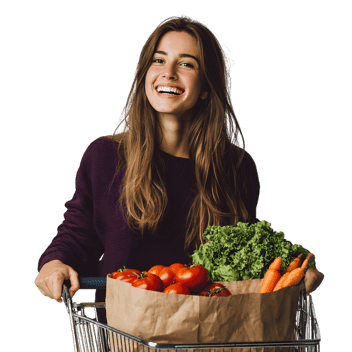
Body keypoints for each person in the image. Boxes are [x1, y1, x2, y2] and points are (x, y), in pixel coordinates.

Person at [35, 15, 324, 324]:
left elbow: (247, 248)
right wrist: (55, 263)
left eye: (187, 64)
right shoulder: (106, 156)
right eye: (158, 61)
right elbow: (78, 232)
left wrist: (298, 266)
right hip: (124, 332)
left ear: (205, 87)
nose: (168, 73)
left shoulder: (238, 168)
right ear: (144, 74)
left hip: (210, 333)